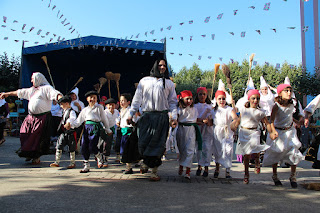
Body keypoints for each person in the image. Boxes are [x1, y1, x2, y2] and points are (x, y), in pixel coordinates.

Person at [127, 58, 178, 181]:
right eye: (160, 65)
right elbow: (137, 99)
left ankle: (154, 172)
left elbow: (172, 102)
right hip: (147, 117)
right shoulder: (144, 81)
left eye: (164, 66)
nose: (162, 67)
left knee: (159, 145)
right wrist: (130, 114)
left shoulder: (169, 83)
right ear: (155, 66)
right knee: (143, 143)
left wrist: (174, 117)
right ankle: (145, 163)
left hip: (162, 118)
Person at [0, 72, 62, 164]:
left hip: (42, 118)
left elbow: (56, 94)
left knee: (37, 138)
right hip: (31, 117)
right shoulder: (32, 90)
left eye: (33, 78)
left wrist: (61, 99)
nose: (31, 80)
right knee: (24, 134)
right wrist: (7, 94)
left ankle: (36, 156)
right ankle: (28, 153)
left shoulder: (47, 88)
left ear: (38, 79)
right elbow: (19, 92)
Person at [263, 84, 304, 188]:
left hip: (290, 132)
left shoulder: (291, 105)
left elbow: (289, 117)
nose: (289, 93)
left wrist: (297, 122)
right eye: (286, 91)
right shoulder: (276, 106)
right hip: (279, 132)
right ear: (280, 93)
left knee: (294, 152)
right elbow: (271, 120)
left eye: (290, 91)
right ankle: (275, 175)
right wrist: (272, 131)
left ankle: (293, 176)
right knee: (276, 153)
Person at [235, 89, 277, 184]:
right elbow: (238, 121)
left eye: (257, 98)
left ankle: (257, 162)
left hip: (254, 132)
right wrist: (234, 126)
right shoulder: (243, 110)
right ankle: (246, 174)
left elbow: (267, 124)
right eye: (253, 98)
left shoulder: (261, 112)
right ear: (249, 99)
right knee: (246, 155)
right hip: (244, 132)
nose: (255, 100)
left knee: (256, 151)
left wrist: (272, 132)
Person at [65, 90, 112, 173]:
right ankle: (86, 165)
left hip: (95, 128)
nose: (92, 99)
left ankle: (99, 157)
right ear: (87, 99)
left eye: (94, 98)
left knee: (92, 146)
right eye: (91, 97)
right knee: (84, 146)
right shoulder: (85, 110)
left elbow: (104, 119)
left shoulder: (99, 108)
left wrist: (107, 129)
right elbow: (78, 121)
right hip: (87, 128)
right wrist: (70, 125)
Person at [210, 89, 238, 179]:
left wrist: (234, 123)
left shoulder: (229, 109)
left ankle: (227, 170)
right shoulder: (213, 110)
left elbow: (235, 118)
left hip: (227, 131)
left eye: (223, 99)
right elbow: (210, 121)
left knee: (228, 150)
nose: (221, 101)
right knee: (218, 151)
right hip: (217, 131)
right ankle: (217, 168)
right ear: (216, 100)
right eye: (219, 99)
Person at [176, 90, 202, 179]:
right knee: (182, 149)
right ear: (182, 99)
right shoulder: (179, 109)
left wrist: (203, 121)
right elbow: (175, 120)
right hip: (181, 130)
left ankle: (188, 171)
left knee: (190, 150)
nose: (189, 101)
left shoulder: (194, 109)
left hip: (191, 130)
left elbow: (196, 119)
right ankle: (181, 165)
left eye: (191, 99)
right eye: (187, 99)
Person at [50, 95, 77, 169]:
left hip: (70, 132)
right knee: (59, 145)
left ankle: (72, 162)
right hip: (63, 132)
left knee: (72, 148)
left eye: (62, 104)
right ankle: (57, 161)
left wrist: (68, 122)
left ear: (67, 104)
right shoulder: (64, 112)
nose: (61, 106)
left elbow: (72, 118)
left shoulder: (72, 112)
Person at [194, 87, 213, 177]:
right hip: (198, 129)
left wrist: (208, 120)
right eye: (200, 94)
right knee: (198, 148)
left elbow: (211, 120)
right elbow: (194, 118)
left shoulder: (210, 107)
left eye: (204, 94)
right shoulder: (194, 106)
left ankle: (206, 167)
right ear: (197, 95)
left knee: (207, 148)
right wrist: (201, 121)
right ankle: (199, 166)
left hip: (207, 130)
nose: (202, 96)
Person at [98, 98, 119, 167]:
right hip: (103, 129)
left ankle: (106, 159)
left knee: (108, 144)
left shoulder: (116, 112)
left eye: (112, 105)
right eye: (109, 105)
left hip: (111, 130)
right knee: (101, 144)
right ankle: (100, 158)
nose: (111, 107)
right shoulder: (104, 112)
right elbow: (102, 122)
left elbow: (118, 119)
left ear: (115, 105)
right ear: (106, 106)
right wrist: (106, 129)